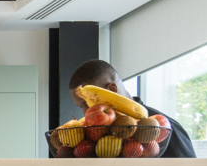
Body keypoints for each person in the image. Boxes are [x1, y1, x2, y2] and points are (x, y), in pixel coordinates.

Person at [68, 58, 196, 158]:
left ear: (112, 90)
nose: (86, 112)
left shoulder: (164, 129)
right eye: (80, 107)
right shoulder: (91, 136)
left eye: (87, 102)